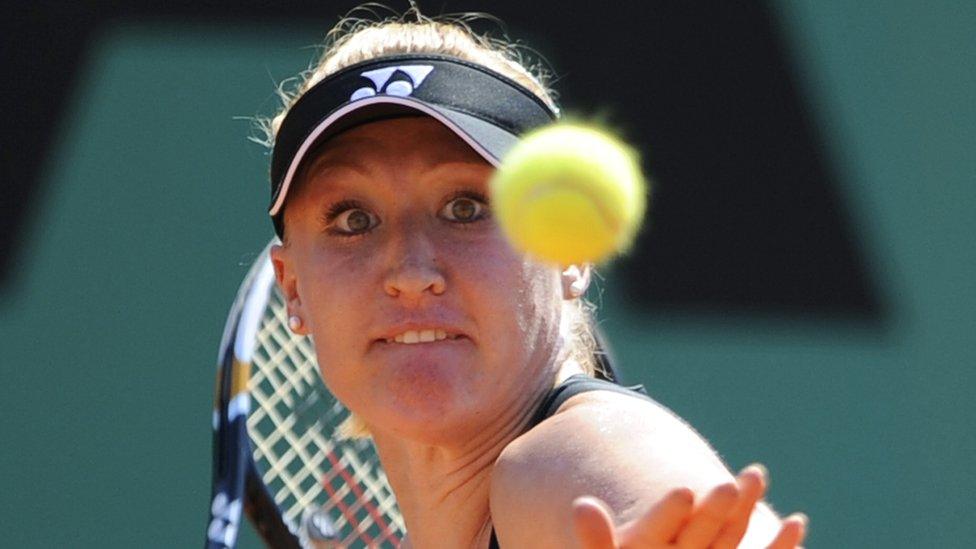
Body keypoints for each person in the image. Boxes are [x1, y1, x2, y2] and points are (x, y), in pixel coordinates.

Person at [264, 6, 807, 548]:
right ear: (293, 288)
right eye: (354, 220)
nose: (410, 272)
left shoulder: (566, 458)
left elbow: (642, 490)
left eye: (465, 208)